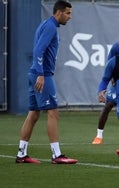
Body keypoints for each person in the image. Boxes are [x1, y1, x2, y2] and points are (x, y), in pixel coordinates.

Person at [15, 0, 77, 164]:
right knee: (53, 112)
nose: (70, 17)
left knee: (34, 113)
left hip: (34, 73)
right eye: (68, 13)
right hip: (42, 74)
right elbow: (38, 50)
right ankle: (57, 155)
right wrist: (41, 75)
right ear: (59, 12)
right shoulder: (50, 27)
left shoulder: (46, 25)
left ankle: (21, 153)